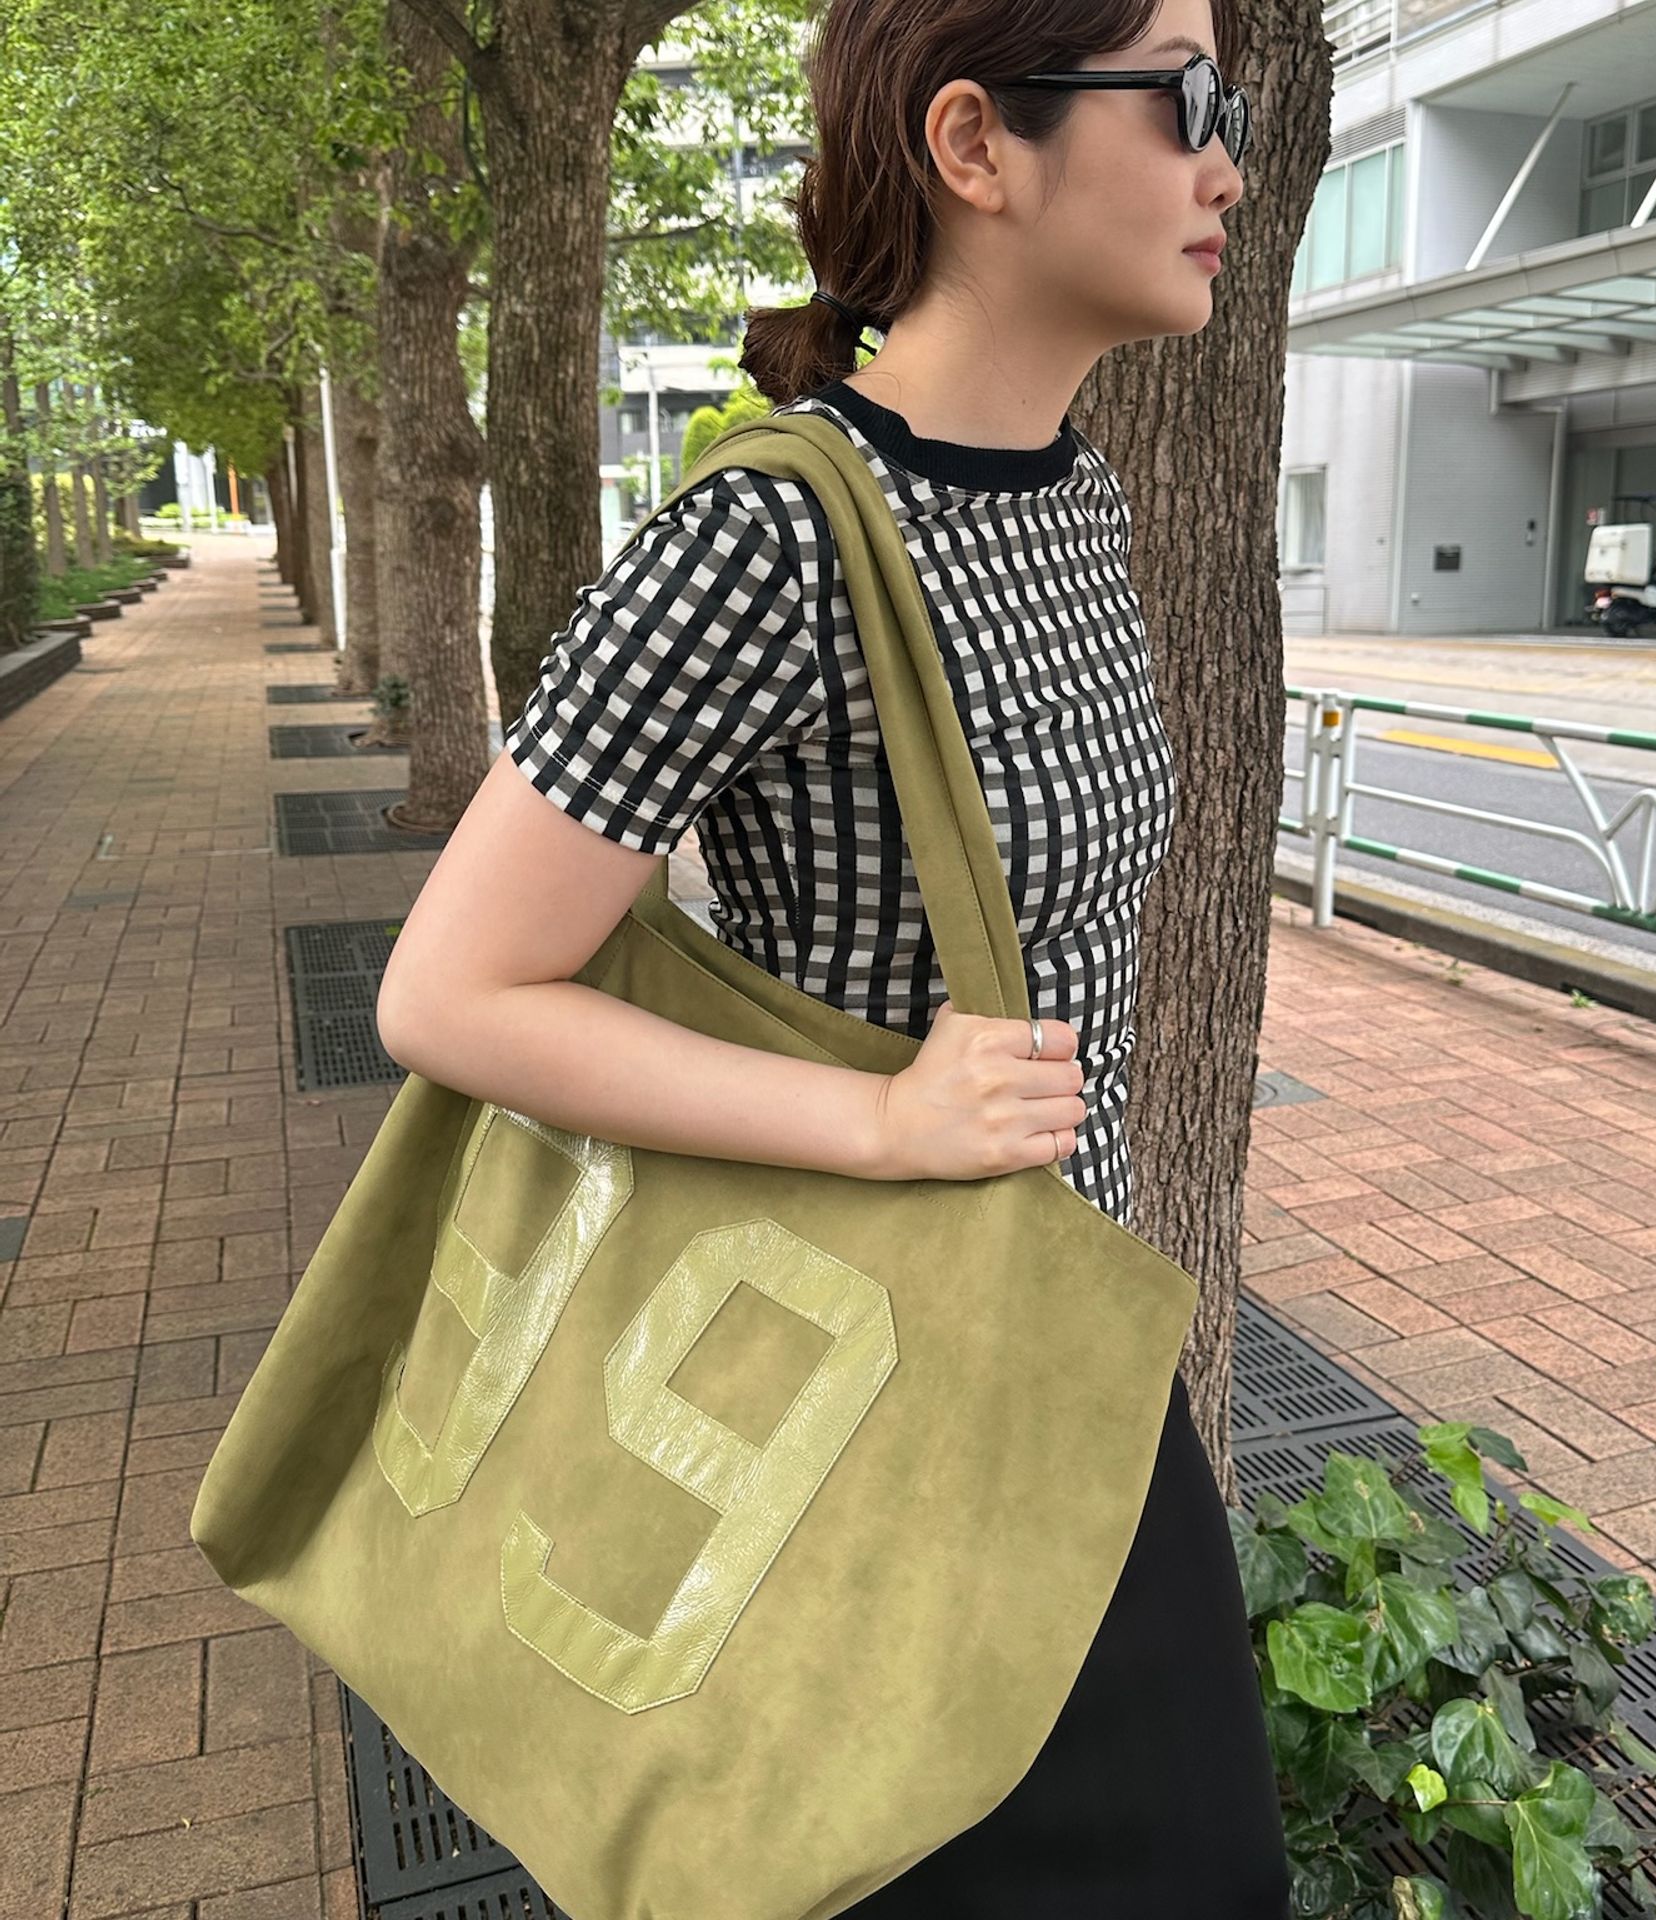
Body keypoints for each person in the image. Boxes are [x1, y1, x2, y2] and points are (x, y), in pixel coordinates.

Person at [375, 0, 1287, 1910]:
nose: (1230, 162)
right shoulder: (766, 541)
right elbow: (448, 992)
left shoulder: (1081, 498)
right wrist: (880, 1122)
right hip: (868, 1411)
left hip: (1072, 1349)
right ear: (976, 144)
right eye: (1189, 95)